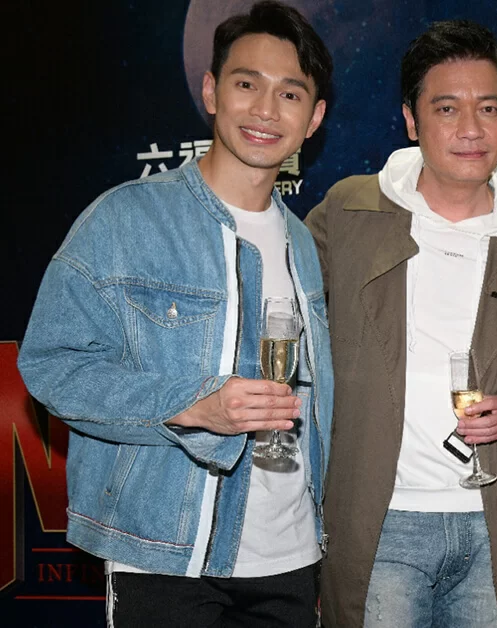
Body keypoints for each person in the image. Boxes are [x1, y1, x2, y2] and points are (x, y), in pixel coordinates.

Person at [18, 2, 333, 625]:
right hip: (166, 560)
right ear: (212, 91)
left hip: (292, 558)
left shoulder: (304, 243)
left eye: (290, 94)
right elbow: (51, 365)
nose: (266, 110)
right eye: (247, 84)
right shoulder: (125, 219)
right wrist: (191, 405)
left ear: (313, 118)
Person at [307, 20, 497, 628]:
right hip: (380, 525)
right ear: (411, 120)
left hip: (491, 525)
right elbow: (285, 316)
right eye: (447, 108)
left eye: (489, 108)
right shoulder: (350, 211)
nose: (471, 128)